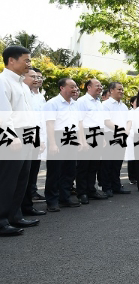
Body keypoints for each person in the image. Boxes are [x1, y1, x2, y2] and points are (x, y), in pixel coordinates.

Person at [0, 46, 39, 235]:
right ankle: (1, 220)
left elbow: (27, 113)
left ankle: (15, 216)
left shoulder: (23, 85)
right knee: (8, 179)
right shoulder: (2, 81)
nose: (29, 64)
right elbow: (3, 113)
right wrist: (11, 136)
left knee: (22, 178)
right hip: (10, 134)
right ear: (11, 61)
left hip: (24, 133)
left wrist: (30, 134)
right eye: (26, 60)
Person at [43, 78, 85, 211]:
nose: (74, 89)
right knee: (55, 170)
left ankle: (65, 197)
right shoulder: (53, 103)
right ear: (62, 88)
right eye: (71, 86)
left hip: (72, 136)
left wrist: (80, 139)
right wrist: (53, 144)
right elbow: (50, 124)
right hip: (59, 136)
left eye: (75, 87)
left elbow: (79, 123)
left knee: (70, 169)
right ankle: (52, 201)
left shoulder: (75, 104)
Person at [75, 79, 108, 204]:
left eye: (101, 86)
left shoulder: (98, 102)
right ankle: (81, 192)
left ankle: (91, 190)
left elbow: (100, 121)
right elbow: (80, 121)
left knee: (94, 164)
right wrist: (82, 139)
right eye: (97, 86)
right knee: (83, 164)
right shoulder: (82, 101)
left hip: (98, 133)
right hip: (87, 133)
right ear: (89, 87)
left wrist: (103, 137)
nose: (100, 88)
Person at [21, 68, 46, 216]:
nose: (37, 79)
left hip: (36, 136)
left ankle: (27, 205)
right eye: (33, 76)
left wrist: (41, 139)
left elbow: (39, 120)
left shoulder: (40, 97)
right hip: (25, 135)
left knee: (32, 172)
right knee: (22, 174)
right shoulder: (23, 93)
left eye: (38, 77)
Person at [101, 82, 131, 197]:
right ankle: (106, 187)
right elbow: (107, 122)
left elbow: (129, 120)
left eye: (122, 89)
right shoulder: (106, 104)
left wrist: (126, 131)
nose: (121, 91)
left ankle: (116, 186)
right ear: (111, 90)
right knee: (107, 163)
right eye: (119, 89)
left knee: (118, 163)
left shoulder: (123, 106)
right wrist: (123, 130)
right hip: (110, 136)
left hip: (122, 136)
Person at [124, 95, 137, 185]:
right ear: (132, 103)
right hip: (131, 136)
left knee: (138, 158)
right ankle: (132, 177)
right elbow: (129, 124)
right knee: (131, 158)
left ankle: (138, 176)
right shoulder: (130, 112)